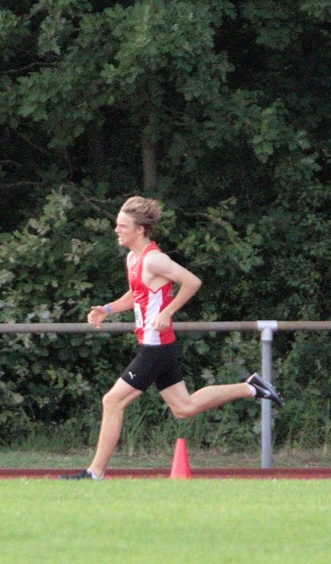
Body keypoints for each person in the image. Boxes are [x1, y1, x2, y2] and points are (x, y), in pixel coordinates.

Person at [61, 196, 282, 481]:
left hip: (155, 348)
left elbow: (192, 281)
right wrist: (107, 309)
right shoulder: (133, 258)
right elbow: (137, 294)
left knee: (112, 401)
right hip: (158, 346)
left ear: (140, 229)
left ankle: (94, 473)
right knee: (184, 408)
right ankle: (251, 388)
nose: (116, 230)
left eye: (122, 225)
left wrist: (168, 311)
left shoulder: (155, 259)